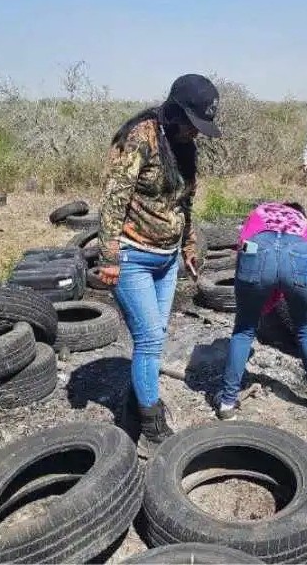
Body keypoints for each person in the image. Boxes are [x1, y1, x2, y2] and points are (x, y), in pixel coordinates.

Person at [97, 74, 221, 457]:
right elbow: (114, 197)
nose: (195, 134)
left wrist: (190, 244)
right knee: (149, 339)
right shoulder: (141, 137)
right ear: (174, 111)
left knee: (156, 335)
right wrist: (109, 255)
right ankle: (151, 427)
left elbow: (184, 203)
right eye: (191, 124)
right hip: (133, 255)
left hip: (167, 260)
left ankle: (136, 407)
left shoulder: (186, 147)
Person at [213, 201, 307, 419]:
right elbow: (296, 263)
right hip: (302, 251)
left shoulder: (260, 211)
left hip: (256, 248)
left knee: (244, 330)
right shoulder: (301, 222)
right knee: (306, 327)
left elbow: (242, 246)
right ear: (298, 211)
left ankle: (227, 402)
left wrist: (260, 302)